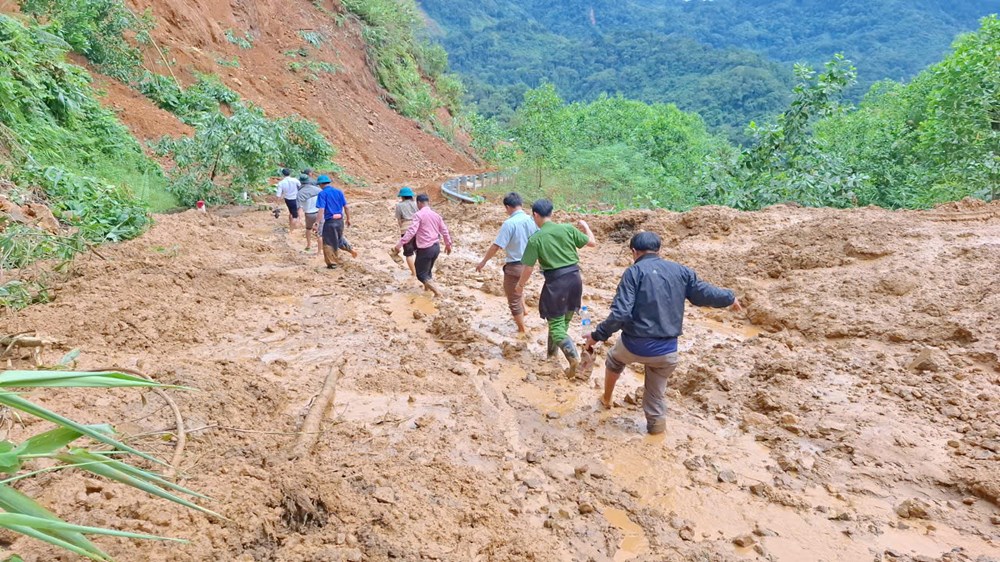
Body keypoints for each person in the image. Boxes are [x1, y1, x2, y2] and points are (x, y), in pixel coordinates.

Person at [584, 231, 742, 435]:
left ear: (634, 252)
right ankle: (656, 434)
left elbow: (621, 313)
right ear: (660, 250)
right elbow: (704, 294)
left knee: (614, 359)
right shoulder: (681, 271)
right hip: (666, 352)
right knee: (655, 400)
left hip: (633, 345)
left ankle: (606, 398)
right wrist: (729, 297)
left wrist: (597, 336)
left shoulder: (633, 272)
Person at [515, 199, 596, 376]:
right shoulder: (567, 228)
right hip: (575, 280)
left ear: (535, 215)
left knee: (556, 324)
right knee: (563, 320)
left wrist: (520, 286)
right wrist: (585, 226)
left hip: (556, 283)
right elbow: (592, 242)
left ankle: (573, 358)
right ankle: (551, 356)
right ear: (552, 213)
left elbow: (528, 267)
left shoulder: (536, 238)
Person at [475, 192, 538, 334]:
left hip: (515, 265)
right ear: (521, 205)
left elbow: (497, 245)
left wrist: (483, 261)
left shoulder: (509, 223)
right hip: (529, 265)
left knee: (513, 299)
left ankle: (522, 330)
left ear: (508, 207)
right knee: (519, 288)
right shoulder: (532, 220)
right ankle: (525, 311)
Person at [394, 194, 452, 296]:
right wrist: (448, 244)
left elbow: (411, 231)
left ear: (419, 203)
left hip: (425, 248)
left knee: (421, 274)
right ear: (427, 202)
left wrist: (399, 245)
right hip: (436, 247)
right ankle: (427, 291)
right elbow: (444, 230)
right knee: (427, 271)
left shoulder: (418, 215)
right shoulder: (436, 215)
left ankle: (437, 293)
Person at [315, 175, 350, 269]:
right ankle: (349, 249)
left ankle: (332, 263)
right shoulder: (339, 192)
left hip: (330, 221)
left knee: (328, 242)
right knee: (337, 239)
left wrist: (317, 223)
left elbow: (321, 209)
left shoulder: (322, 194)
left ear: (321, 184)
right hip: (340, 221)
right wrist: (348, 219)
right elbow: (346, 207)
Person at [391, 187, 419, 277]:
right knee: (419, 251)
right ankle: (421, 270)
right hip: (417, 228)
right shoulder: (416, 204)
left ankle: (414, 273)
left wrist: (402, 229)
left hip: (405, 229)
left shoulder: (399, 206)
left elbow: (399, 220)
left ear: (402, 197)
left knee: (409, 253)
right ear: (411, 196)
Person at [296, 174, 321, 252]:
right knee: (320, 232)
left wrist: (299, 219)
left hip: (309, 214)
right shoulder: (318, 189)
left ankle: (308, 245)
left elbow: (299, 208)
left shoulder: (300, 193)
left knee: (308, 229)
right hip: (320, 213)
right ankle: (320, 250)